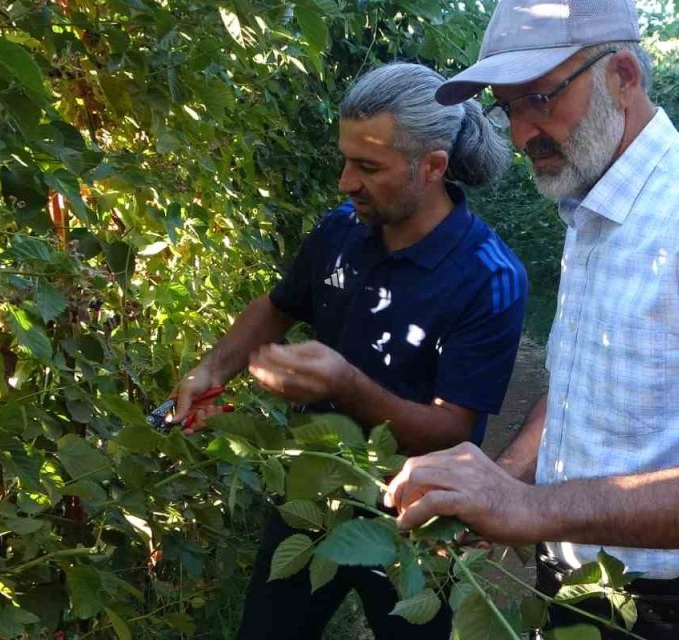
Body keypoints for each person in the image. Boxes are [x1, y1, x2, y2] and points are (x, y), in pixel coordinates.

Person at [384, 0, 679, 638]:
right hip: (578, 597)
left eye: (541, 98)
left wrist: (535, 507)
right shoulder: (592, 207)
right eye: (509, 107)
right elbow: (586, 384)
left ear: (623, 75)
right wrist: (505, 477)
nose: (522, 135)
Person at [170, 63, 528, 640]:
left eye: (368, 166)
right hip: (312, 492)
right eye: (345, 159)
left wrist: (346, 386)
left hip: (417, 521)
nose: (345, 182)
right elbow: (278, 305)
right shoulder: (340, 230)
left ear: (432, 166)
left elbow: (452, 431)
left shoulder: (491, 277)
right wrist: (212, 368)